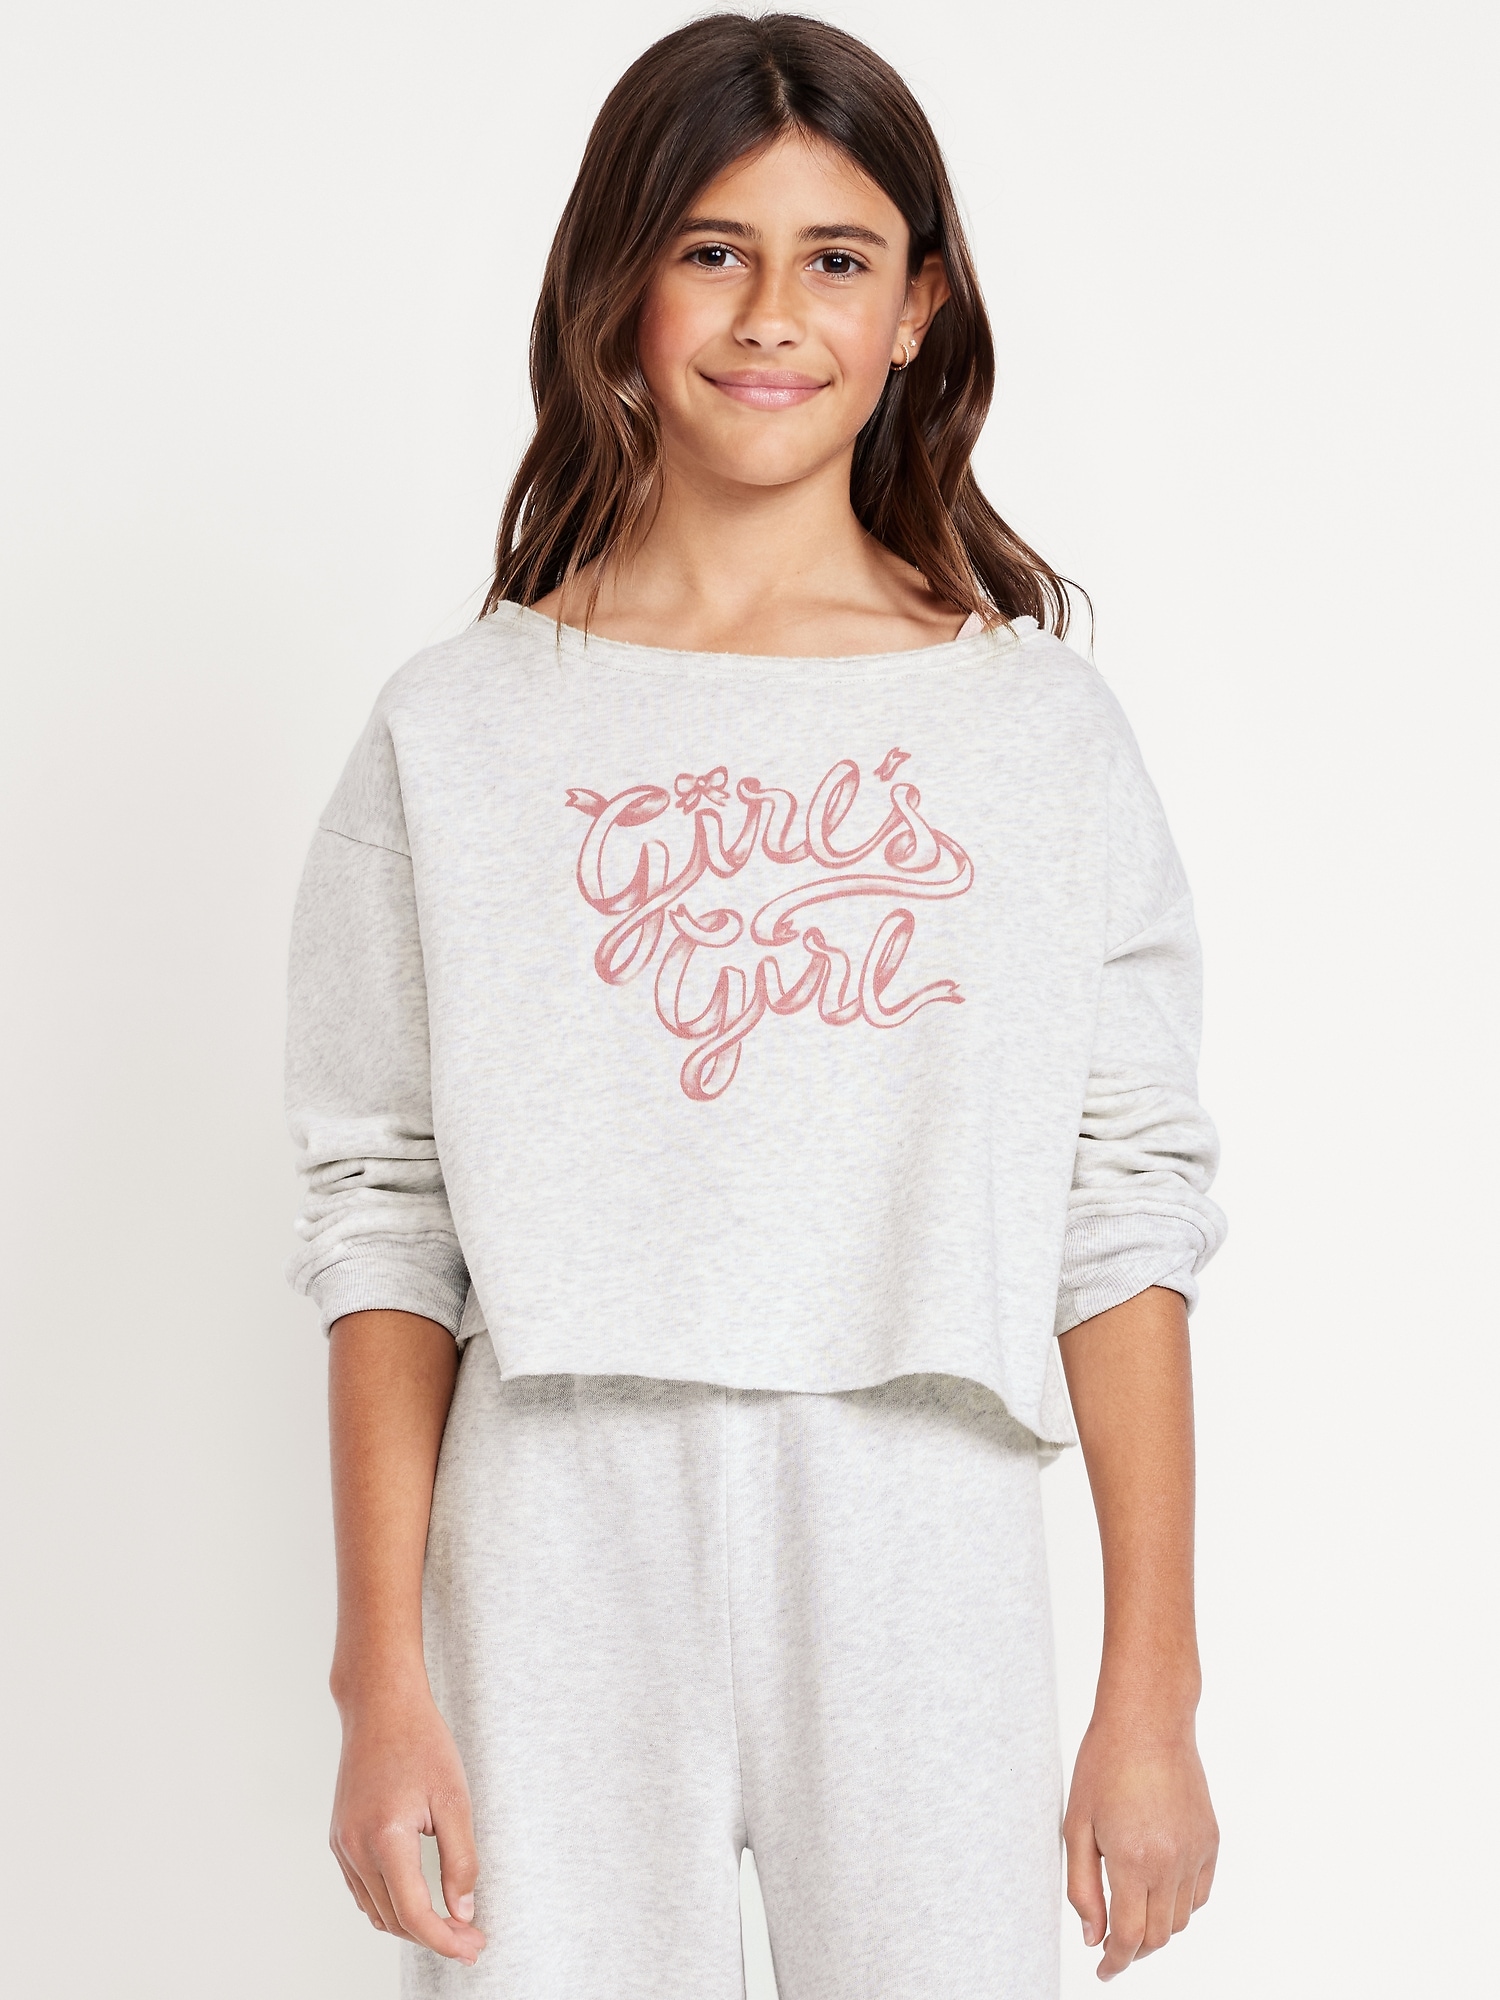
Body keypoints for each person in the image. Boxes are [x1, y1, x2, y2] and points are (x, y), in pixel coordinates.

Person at [283, 14, 1225, 1995]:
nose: (772, 311)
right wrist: (380, 1675)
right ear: (619, 286)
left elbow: (1122, 1200)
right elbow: (387, 1210)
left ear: (917, 308)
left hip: (918, 1512)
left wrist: (1153, 1690)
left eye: (836, 256)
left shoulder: (1036, 735)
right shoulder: (456, 729)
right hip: (550, 1519)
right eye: (713, 248)